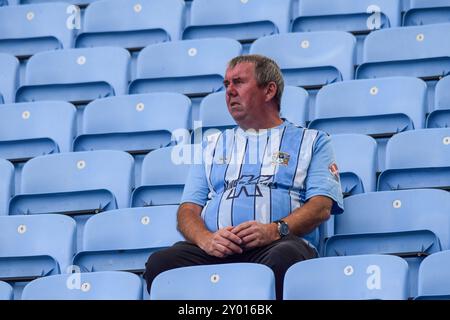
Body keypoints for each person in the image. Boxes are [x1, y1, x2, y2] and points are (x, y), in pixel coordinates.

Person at [144, 54, 344, 300]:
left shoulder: (312, 141)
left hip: (275, 245)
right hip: (216, 250)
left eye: (238, 82)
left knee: (285, 257)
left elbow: (321, 207)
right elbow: (187, 210)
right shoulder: (212, 145)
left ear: (269, 90)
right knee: (161, 264)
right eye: (226, 84)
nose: (229, 92)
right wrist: (206, 239)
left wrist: (274, 230)